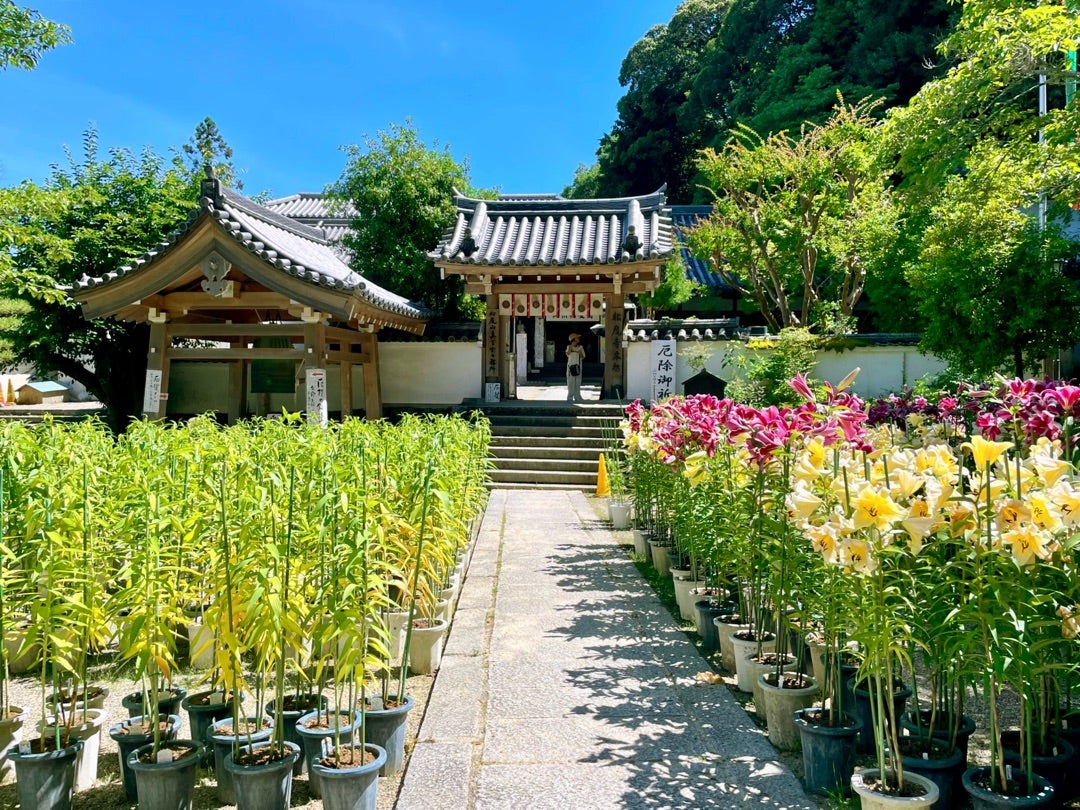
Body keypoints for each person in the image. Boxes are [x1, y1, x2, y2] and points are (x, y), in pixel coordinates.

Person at [565, 333, 586, 403]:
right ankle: (570, 397)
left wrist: (579, 352)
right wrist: (571, 346)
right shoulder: (569, 347)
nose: (578, 339)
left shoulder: (581, 347)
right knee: (570, 382)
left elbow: (583, 357)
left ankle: (577, 397)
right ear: (573, 339)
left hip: (578, 366)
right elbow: (567, 353)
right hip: (570, 367)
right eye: (577, 338)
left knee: (578, 382)